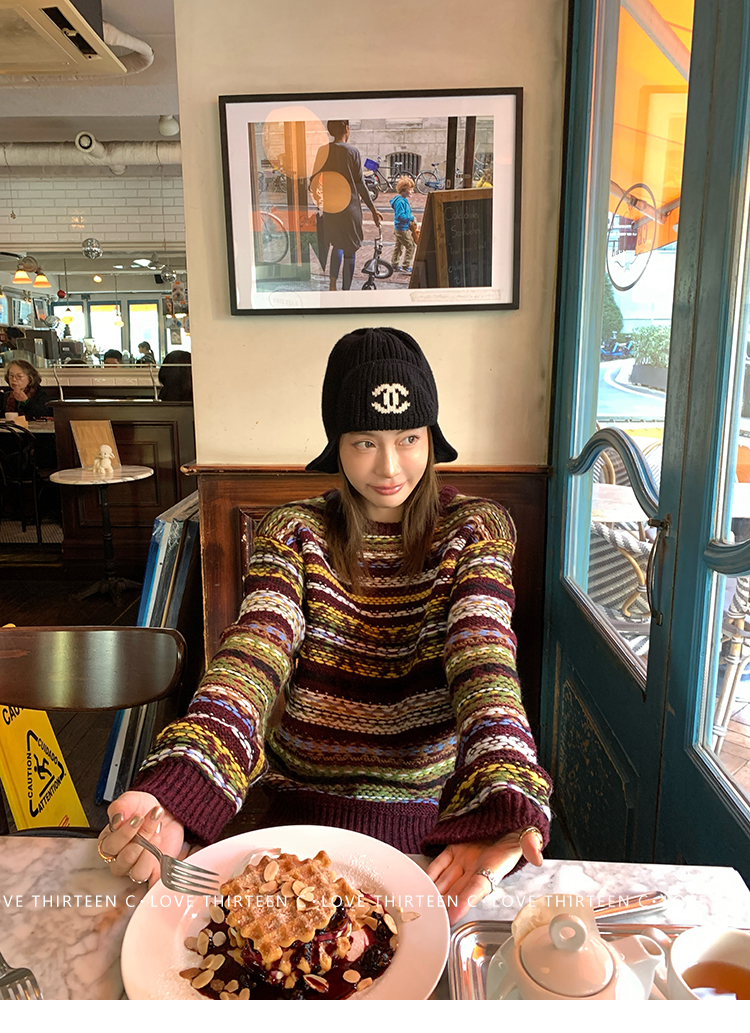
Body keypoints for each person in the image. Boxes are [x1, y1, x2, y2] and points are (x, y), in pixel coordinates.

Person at [97, 328, 551, 923]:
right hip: (297, 816)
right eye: (364, 441)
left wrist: (504, 792)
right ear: (336, 444)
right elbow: (253, 657)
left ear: (431, 438)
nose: (390, 466)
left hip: (430, 828)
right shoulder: (294, 531)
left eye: (409, 438)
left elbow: (483, 658)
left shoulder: (476, 529)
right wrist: (184, 780)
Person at [310, 120, 382, 290]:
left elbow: (313, 181)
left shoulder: (323, 151)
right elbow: (360, 184)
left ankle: (332, 285)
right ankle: (346, 290)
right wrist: (373, 209)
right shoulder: (352, 152)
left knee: (337, 244)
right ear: (346, 129)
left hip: (331, 208)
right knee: (350, 249)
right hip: (350, 208)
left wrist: (322, 202)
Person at [390, 176, 417, 273]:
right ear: (404, 190)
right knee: (410, 246)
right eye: (411, 189)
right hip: (402, 229)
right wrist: (411, 217)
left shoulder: (401, 200)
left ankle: (394, 264)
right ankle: (406, 266)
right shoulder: (401, 202)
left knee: (398, 246)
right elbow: (400, 216)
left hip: (399, 228)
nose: (412, 191)